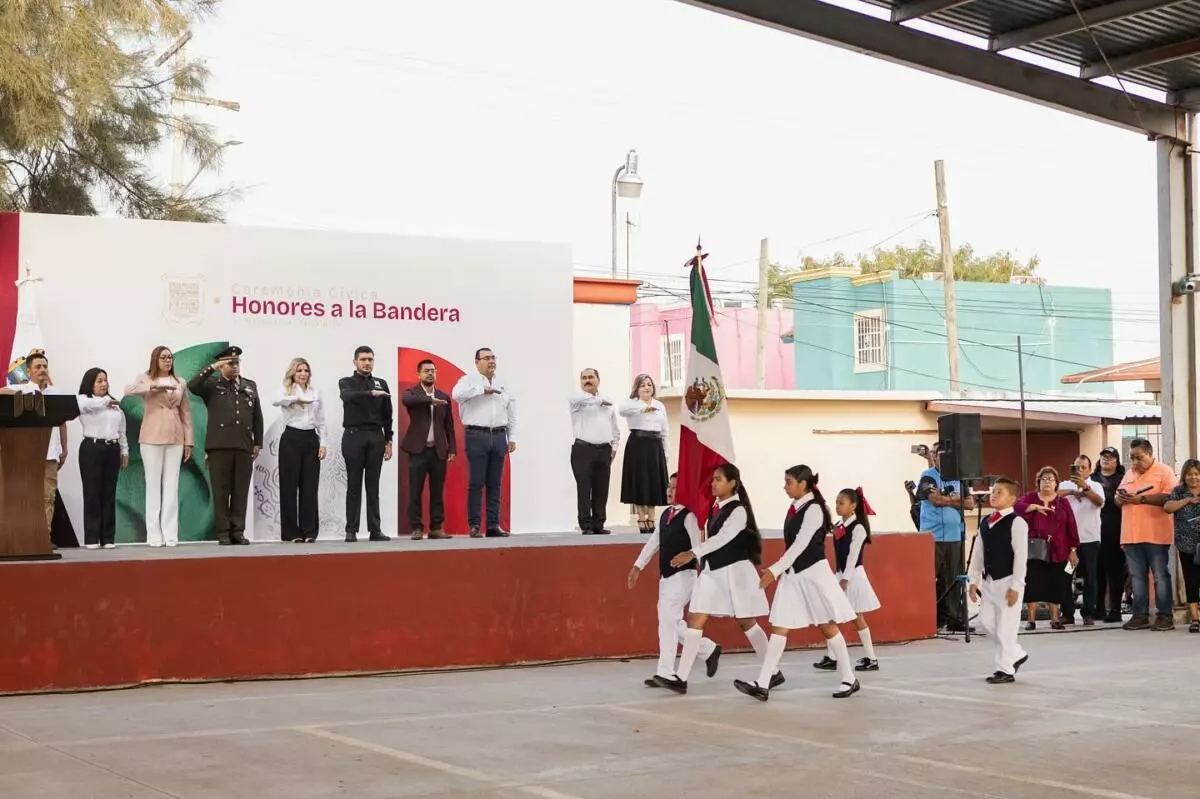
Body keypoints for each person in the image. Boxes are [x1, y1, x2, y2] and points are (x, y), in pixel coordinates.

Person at [734, 465, 860, 701]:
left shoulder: (814, 510)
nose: (785, 487)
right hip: (793, 575)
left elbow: (800, 545)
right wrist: (780, 571)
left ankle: (849, 678)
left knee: (827, 627)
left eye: (789, 482)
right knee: (779, 627)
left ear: (803, 484)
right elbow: (793, 547)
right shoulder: (795, 507)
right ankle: (763, 683)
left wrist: (774, 571)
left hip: (814, 574)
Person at [655, 463, 780, 695]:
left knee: (747, 622)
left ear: (732, 484)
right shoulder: (715, 508)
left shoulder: (739, 511)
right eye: (713, 479)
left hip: (735, 573)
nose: (713, 483)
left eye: (718, 479)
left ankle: (772, 671)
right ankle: (681, 677)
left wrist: (693, 552)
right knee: (695, 618)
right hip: (713, 572)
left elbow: (723, 538)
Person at [628, 473, 721, 687]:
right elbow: (654, 541)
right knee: (671, 622)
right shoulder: (665, 515)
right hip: (667, 577)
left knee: (667, 622)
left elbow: (699, 546)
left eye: (675, 487)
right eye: (669, 486)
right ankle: (707, 649)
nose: (669, 490)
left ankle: (666, 672)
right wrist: (638, 566)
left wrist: (704, 572)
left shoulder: (689, 517)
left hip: (684, 576)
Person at [189, 346, 263, 546]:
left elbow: (257, 416)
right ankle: (223, 532)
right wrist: (212, 367)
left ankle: (238, 531)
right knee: (221, 492)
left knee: (240, 491)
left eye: (237, 362)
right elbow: (192, 386)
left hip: (244, 445)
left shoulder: (250, 385)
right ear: (221, 366)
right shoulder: (213, 385)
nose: (235, 366)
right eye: (230, 363)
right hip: (219, 446)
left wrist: (258, 442)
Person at [126, 346, 193, 547]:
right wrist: (153, 387)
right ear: (155, 359)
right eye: (163, 357)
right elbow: (128, 390)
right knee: (153, 485)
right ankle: (154, 534)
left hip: (175, 436)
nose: (167, 360)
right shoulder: (145, 378)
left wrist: (189, 441)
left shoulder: (180, 381)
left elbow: (186, 413)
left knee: (172, 485)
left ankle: (170, 533)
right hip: (151, 437)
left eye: (169, 357)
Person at [967, 477, 1030, 684]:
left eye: (999, 492)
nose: (993, 495)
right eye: (993, 491)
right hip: (990, 581)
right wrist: (973, 580)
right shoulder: (986, 522)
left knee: (1006, 627)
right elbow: (978, 553)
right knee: (985, 622)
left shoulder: (1017, 523)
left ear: (1012, 499)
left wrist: (1016, 586)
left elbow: (1020, 557)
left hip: (1008, 580)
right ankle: (1016, 653)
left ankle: (1005, 669)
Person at [813, 487, 881, 673]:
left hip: (853, 576)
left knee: (856, 617)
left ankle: (871, 658)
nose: (837, 506)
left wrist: (845, 579)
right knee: (831, 614)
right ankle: (832, 657)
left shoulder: (858, 528)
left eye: (841, 503)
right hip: (841, 574)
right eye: (836, 503)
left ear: (853, 506)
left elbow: (853, 555)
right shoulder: (839, 525)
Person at [452, 347, 516, 538]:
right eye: (486, 358)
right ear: (477, 362)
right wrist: (481, 390)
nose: (491, 361)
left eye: (493, 357)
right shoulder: (468, 380)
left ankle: (493, 525)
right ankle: (474, 525)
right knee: (476, 482)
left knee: (495, 483)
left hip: (499, 435)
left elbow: (511, 412)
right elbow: (456, 395)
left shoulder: (504, 383)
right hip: (476, 434)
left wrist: (512, 437)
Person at [1116, 438, 1176, 631]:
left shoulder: (1164, 471)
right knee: (1137, 577)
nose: (1135, 462)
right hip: (1131, 534)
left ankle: (1165, 615)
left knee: (1160, 576)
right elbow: (1117, 498)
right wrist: (1120, 498)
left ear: (1150, 454)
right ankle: (1140, 615)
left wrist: (1141, 499)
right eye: (1132, 457)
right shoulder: (1129, 473)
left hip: (1155, 534)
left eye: (1139, 457)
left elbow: (1169, 497)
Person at [917, 444, 976, 631]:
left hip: (955, 535)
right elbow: (935, 500)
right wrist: (956, 500)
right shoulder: (927, 476)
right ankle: (929, 619)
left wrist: (946, 500)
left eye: (946, 454)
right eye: (938, 453)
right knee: (930, 578)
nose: (942, 457)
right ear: (933, 457)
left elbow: (970, 504)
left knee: (954, 579)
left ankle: (954, 619)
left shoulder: (958, 477)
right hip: (932, 537)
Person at [339, 346, 394, 542]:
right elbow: (347, 396)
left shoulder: (381, 383)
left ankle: (375, 530)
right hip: (354, 436)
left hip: (376, 437)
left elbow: (388, 414)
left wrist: (388, 439)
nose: (367, 363)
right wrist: (371, 393)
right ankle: (351, 530)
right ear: (355, 362)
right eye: (363, 359)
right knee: (354, 484)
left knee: (373, 486)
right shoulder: (346, 382)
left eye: (370, 359)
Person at [1016, 466, 1079, 631]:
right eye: (1043, 479)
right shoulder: (1030, 497)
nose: (1047, 482)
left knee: (1056, 583)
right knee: (1032, 583)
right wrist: (1034, 507)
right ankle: (1031, 620)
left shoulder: (1063, 502)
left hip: (1058, 550)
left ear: (1057, 483)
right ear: (1038, 482)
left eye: (1051, 479)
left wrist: (1073, 550)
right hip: (1034, 549)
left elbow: (1071, 526)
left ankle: (1055, 619)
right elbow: (1017, 507)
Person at [400, 358, 456, 540]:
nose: (430, 373)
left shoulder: (444, 396)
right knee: (415, 491)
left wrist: (452, 448)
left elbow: (449, 426)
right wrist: (430, 400)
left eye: (433, 370)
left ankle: (436, 528)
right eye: (426, 371)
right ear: (419, 374)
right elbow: (407, 400)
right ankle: (416, 528)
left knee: (437, 491)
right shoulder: (412, 393)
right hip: (418, 450)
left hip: (438, 451)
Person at [273, 358, 326, 543]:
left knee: (309, 487)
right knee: (289, 486)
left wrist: (323, 443)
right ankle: (291, 533)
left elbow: (321, 420)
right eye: (299, 370)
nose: (303, 374)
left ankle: (309, 531)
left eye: (306, 370)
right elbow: (275, 401)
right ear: (293, 373)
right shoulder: (286, 390)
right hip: (291, 437)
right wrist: (296, 398)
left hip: (311, 438)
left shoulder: (315, 392)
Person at [76, 367, 128, 549]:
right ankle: (91, 538)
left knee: (109, 493)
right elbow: (87, 406)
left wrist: (124, 451)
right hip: (91, 448)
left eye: (105, 380)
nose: (104, 384)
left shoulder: (115, 406)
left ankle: (108, 538)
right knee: (92, 493)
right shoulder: (84, 400)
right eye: (99, 381)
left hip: (112, 449)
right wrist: (106, 401)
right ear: (90, 384)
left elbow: (122, 431)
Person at [569, 368, 619, 535]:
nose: (587, 380)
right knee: (584, 488)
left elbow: (615, 427)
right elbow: (580, 399)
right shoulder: (577, 399)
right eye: (584, 378)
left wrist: (614, 447)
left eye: (591, 377)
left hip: (604, 449)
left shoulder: (607, 402)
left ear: (598, 379)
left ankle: (599, 523)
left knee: (601, 488)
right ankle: (586, 524)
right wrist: (598, 400)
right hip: (583, 449)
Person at [22, 351, 66, 539]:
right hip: (27, 454)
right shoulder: (22, 390)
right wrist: (14, 393)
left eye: (45, 366)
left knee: (48, 496)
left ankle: (44, 538)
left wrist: (64, 449)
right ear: (29, 371)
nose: (42, 370)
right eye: (38, 367)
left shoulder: (55, 394)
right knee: (27, 497)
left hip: (51, 453)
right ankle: (27, 538)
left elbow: (62, 422)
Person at [618, 374, 669, 534]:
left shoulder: (660, 405)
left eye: (649, 384)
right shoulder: (631, 403)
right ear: (637, 388)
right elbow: (621, 411)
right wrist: (643, 408)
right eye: (643, 385)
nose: (647, 387)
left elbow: (665, 431)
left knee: (653, 481)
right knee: (639, 481)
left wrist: (666, 452)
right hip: (638, 444)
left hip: (655, 446)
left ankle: (651, 517)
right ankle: (641, 517)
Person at [1057, 455, 1104, 625]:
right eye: (1077, 467)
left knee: (1090, 578)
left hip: (1089, 540)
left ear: (1090, 470)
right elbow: (1053, 496)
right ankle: (1067, 613)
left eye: (1084, 467)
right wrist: (1072, 491)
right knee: (1067, 575)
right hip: (1070, 543)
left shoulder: (1096, 485)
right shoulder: (1065, 485)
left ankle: (1089, 613)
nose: (1080, 470)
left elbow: (1099, 502)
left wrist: (1085, 488)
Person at [1163, 458, 1200, 634]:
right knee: (1191, 580)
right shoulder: (1178, 491)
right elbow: (1167, 507)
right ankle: (1195, 618)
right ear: (1184, 476)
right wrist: (1187, 501)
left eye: (1197, 474)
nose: (1194, 477)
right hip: (1186, 544)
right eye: (1189, 474)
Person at [1093, 446, 1127, 623]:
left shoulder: (1123, 479)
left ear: (1117, 461)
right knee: (1096, 572)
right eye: (1104, 456)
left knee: (1115, 572)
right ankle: (1098, 608)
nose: (1106, 459)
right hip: (1092, 532)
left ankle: (1115, 609)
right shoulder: (1091, 479)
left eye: (1111, 457)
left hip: (1115, 531)